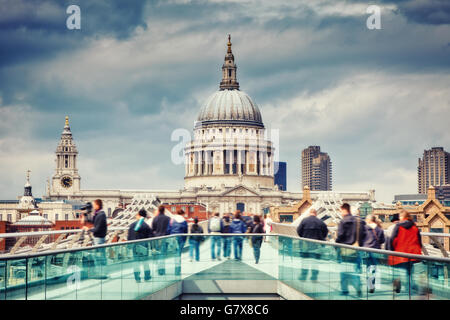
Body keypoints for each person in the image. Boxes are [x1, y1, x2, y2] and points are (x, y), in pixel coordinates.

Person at [388, 210, 423, 295]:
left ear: (403, 217)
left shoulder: (398, 226)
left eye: (400, 216)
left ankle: (407, 291)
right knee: (410, 272)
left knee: (400, 272)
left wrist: (392, 250)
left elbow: (393, 239)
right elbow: (419, 240)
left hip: (401, 253)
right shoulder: (415, 227)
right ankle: (410, 289)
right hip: (412, 253)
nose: (399, 218)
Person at [335, 203, 367, 297]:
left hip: (345, 250)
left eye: (341, 211)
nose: (340, 213)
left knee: (344, 271)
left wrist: (336, 245)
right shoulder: (359, 221)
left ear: (345, 210)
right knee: (355, 270)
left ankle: (345, 290)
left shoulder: (343, 221)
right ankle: (358, 287)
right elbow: (364, 235)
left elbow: (340, 236)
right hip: (356, 250)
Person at [296, 209, 328, 281]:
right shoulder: (320, 222)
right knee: (315, 262)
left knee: (305, 261)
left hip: (305, 245)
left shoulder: (304, 221)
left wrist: (303, 237)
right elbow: (325, 232)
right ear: (315, 214)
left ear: (309, 213)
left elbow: (298, 231)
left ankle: (303, 277)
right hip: (316, 246)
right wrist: (321, 238)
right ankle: (314, 277)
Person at [128, 209, 153, 283]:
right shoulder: (146, 226)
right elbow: (150, 237)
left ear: (139, 215)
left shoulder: (132, 225)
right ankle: (147, 276)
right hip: (144, 246)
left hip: (135, 246)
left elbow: (130, 237)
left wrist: (130, 246)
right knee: (145, 262)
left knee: (136, 262)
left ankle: (137, 277)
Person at [363, 214, 385, 293]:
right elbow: (382, 240)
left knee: (368, 268)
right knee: (374, 269)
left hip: (367, 251)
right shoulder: (379, 229)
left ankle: (370, 285)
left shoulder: (364, 229)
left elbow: (361, 239)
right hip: (376, 251)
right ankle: (372, 284)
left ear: (368, 220)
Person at [168, 209, 188, 275]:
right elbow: (186, 232)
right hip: (180, 238)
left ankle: (175, 270)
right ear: (182, 214)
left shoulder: (172, 219)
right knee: (178, 255)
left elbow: (168, 229)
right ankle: (177, 271)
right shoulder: (184, 221)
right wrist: (184, 241)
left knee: (175, 254)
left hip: (172, 238)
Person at [151, 205, 171, 275]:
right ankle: (162, 270)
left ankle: (160, 270)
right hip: (165, 238)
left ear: (159, 210)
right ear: (164, 210)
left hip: (157, 238)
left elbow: (153, 229)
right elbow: (169, 229)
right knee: (163, 254)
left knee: (159, 254)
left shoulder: (155, 218)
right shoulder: (168, 218)